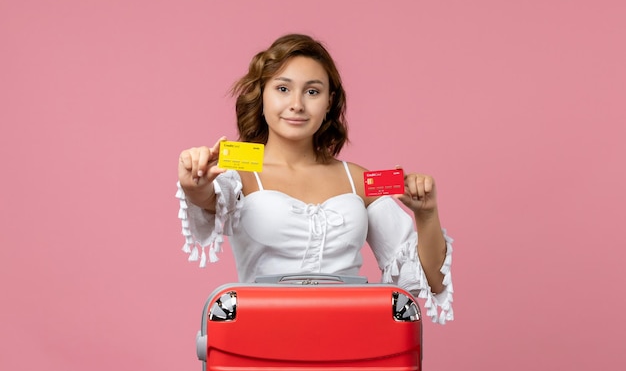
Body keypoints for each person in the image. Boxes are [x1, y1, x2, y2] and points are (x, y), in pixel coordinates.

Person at [176, 34, 453, 324]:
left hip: (351, 344)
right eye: (283, 88)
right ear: (261, 94)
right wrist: (193, 183)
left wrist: (427, 214)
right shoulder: (237, 172)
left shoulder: (359, 178)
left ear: (329, 102)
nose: (296, 104)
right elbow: (206, 199)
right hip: (261, 341)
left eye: (312, 92)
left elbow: (431, 280)